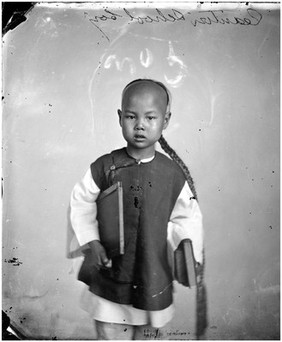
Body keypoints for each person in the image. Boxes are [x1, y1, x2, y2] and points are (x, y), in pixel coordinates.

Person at [69, 79, 205, 340]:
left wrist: (190, 254)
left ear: (165, 121)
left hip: (151, 270)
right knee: (110, 329)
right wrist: (91, 240)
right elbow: (81, 201)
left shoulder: (172, 173)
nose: (140, 125)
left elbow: (187, 216)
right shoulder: (104, 166)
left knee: (149, 332)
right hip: (111, 270)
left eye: (150, 117)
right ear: (120, 117)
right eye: (131, 116)